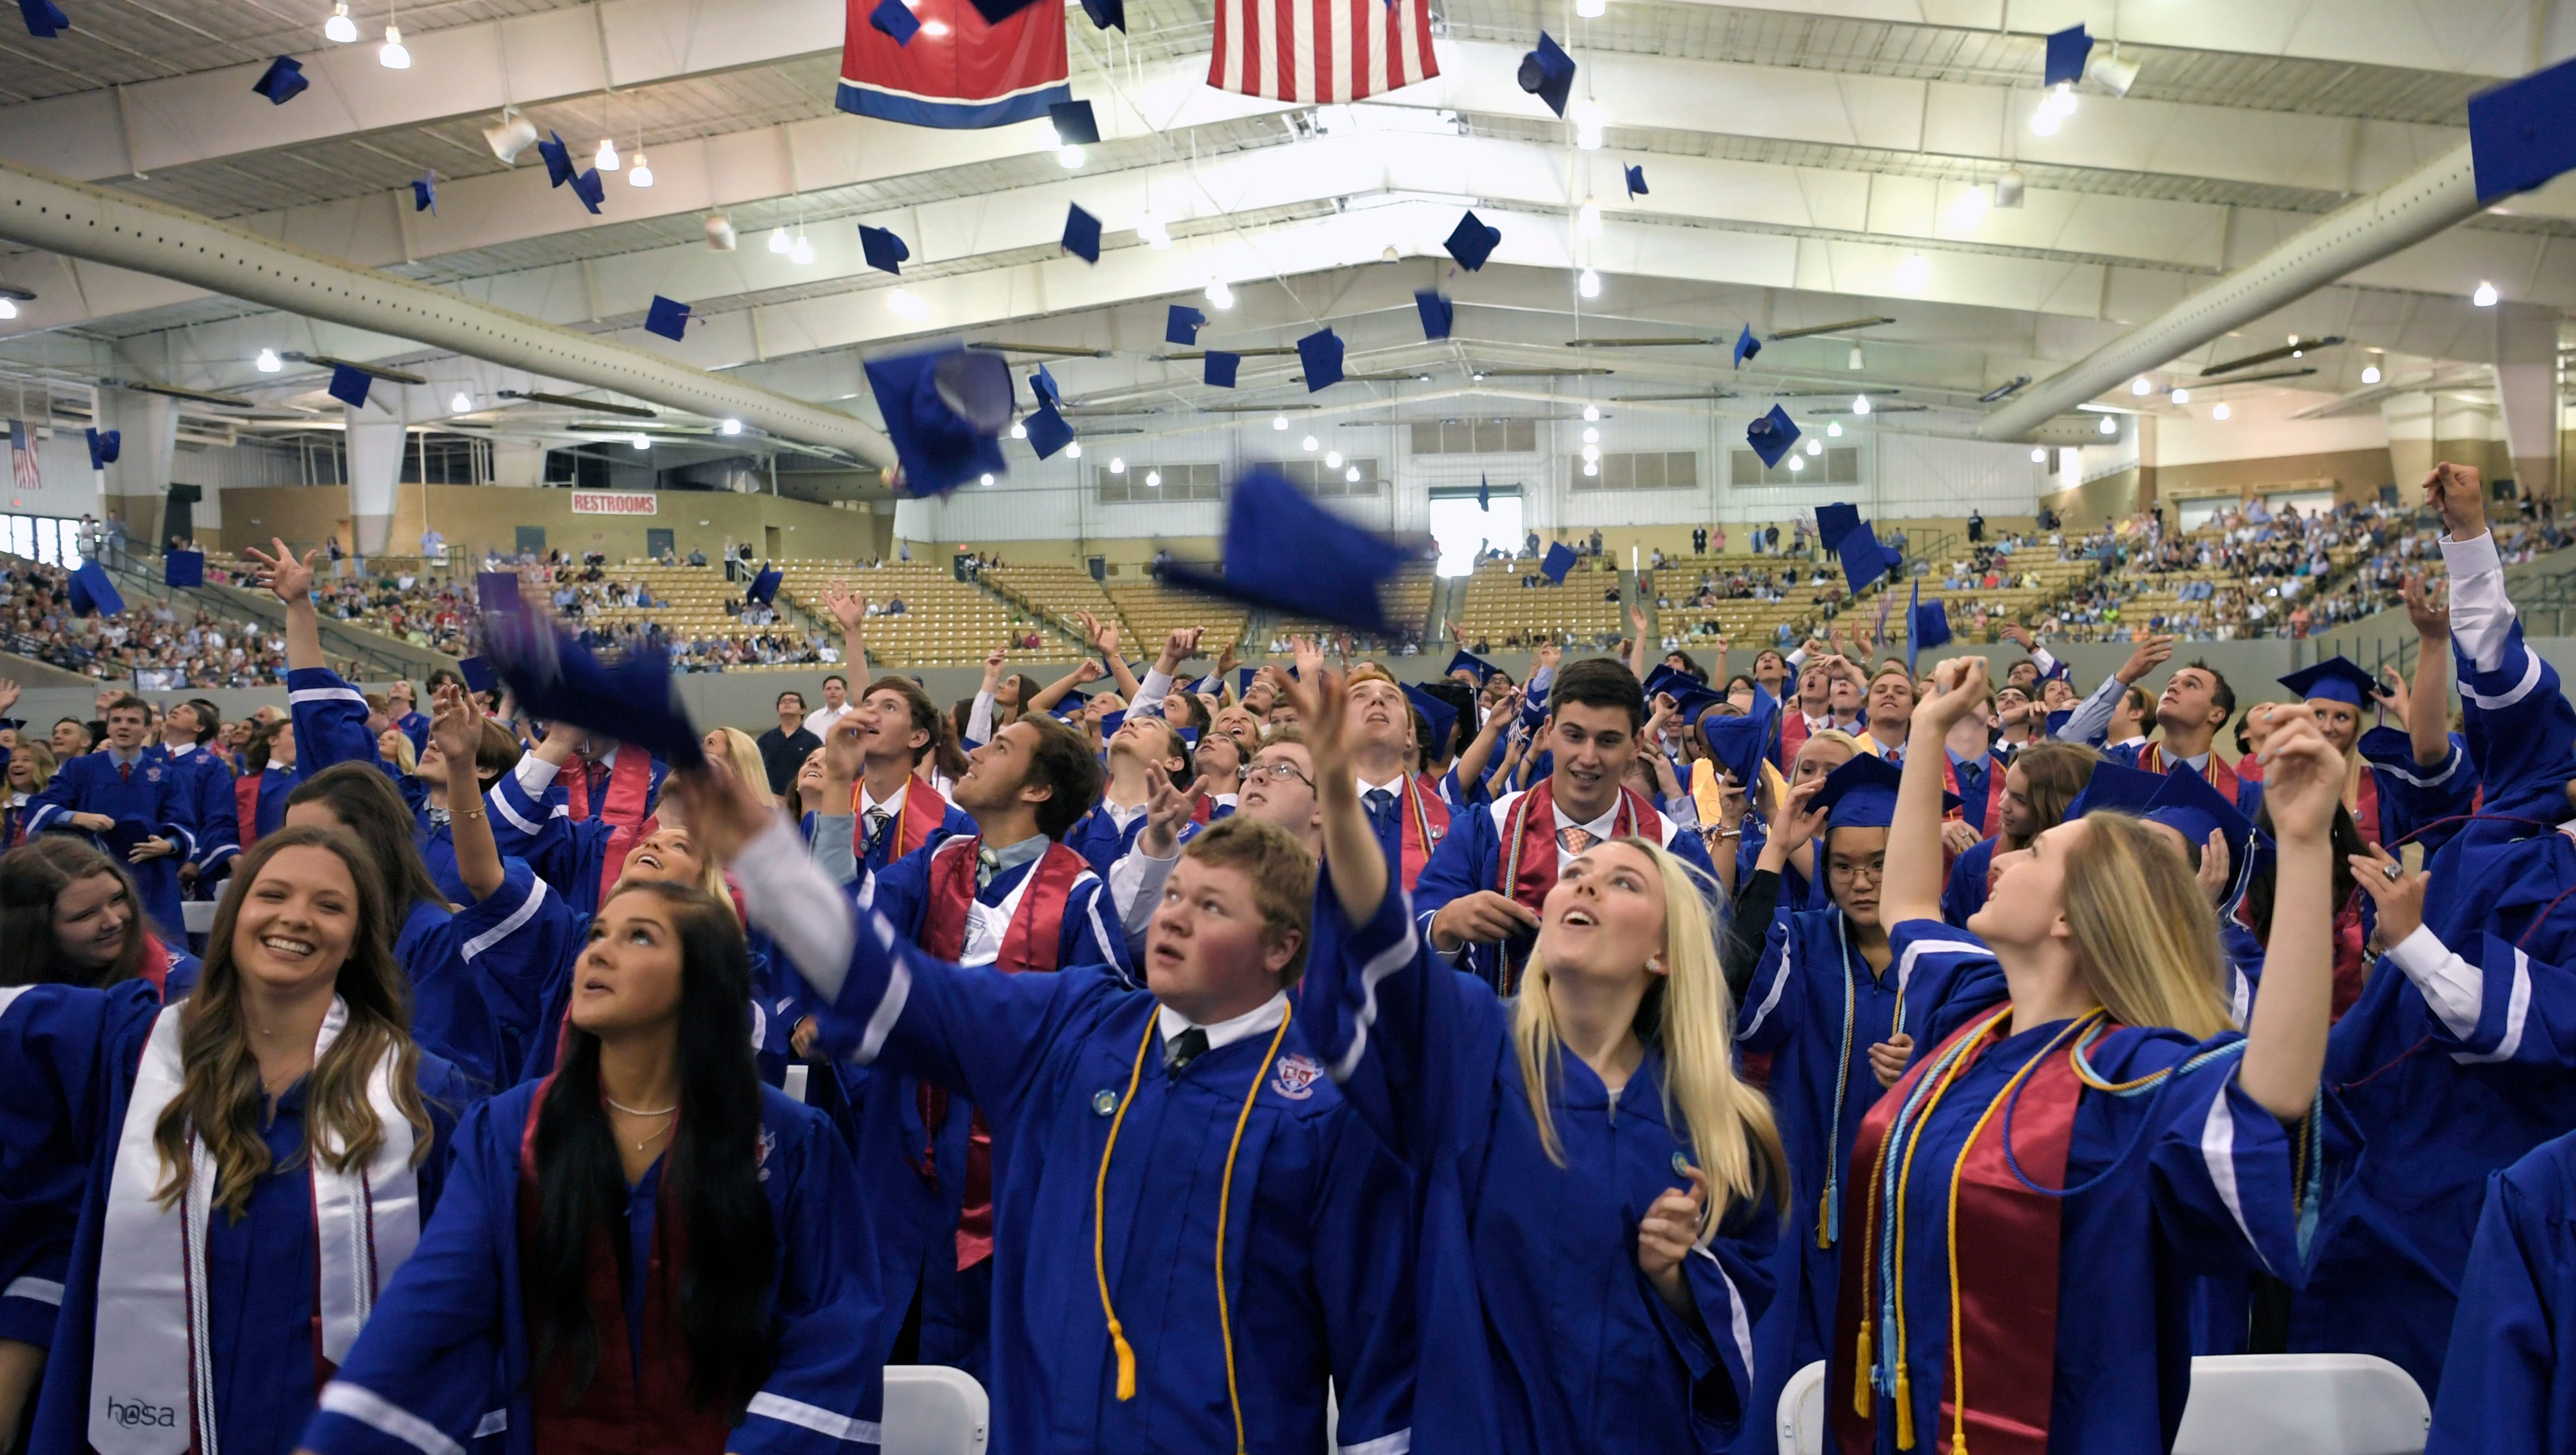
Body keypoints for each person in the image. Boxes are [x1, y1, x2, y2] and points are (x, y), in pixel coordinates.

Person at [692, 768, 1418, 1455]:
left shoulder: (1330, 1104)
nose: (1173, 919)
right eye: (1174, 896)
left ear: (1282, 945)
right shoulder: (1073, 1024)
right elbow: (906, 990)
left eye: (1211, 907)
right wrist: (773, 864)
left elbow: (1377, 1361)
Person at [1828, 655, 2349, 1454]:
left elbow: (2272, 1090)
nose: (1997, 859)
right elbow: (1905, 904)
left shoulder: (2127, 1076)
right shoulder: (1974, 1017)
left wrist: (2306, 844)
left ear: (2071, 917)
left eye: (2032, 855)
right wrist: (1928, 729)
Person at [1290, 665, 1786, 1453]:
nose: (1579, 880)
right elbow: (1379, 947)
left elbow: (1750, 1295)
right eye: (1575, 873)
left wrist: (1676, 1278)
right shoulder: (1472, 1057)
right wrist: (1338, 793)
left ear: (1664, 948)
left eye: (1618, 879)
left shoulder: (1715, 1120)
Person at [295, 877, 886, 1455]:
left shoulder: (789, 1142)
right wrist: (334, 1441)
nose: (598, 949)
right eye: (597, 933)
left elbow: (836, 1337)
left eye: (640, 937)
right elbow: (432, 1307)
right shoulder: (510, 1135)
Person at [0, 827, 477, 1455]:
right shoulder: (127, 1053)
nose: (296, 918)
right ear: (235, 914)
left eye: (329, 905)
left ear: (361, 937)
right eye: (272, 895)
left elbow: (462, 1304)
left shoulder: (421, 1098)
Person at [2290, 463, 2576, 1399]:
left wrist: (2409, 941)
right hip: (2380, 1098)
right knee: (2330, 1300)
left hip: (2470, 1148)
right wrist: (2467, 532)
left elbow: (2518, 1027)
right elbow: (2493, 661)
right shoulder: (2541, 785)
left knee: (2427, 1349)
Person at [796, 712, 1129, 1382]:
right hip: (899, 1159)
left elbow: (1104, 1048)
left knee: (985, 1375)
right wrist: (838, 785)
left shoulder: (1081, 895)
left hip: (1006, 1183)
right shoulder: (940, 862)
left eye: (1000, 748)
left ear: (1037, 791)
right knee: (882, 1358)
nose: (975, 753)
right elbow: (846, 925)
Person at [1723, 752, 1998, 1451]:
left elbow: (2002, 1084)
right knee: (1785, 1384)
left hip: (1912, 1218)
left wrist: (1937, 1065)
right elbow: (1736, 986)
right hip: (1803, 1205)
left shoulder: (1960, 962)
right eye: (1842, 865)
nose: (1861, 882)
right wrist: (1775, 851)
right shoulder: (1804, 939)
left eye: (1880, 863)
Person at [283, 690, 573, 1090]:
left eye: (323, 842)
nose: (304, 860)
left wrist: (466, 762)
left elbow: (438, 1079)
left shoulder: (433, 928)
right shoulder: (310, 924)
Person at [1413, 658, 1718, 991]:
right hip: (1507, 1038)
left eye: (1608, 741)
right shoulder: (1487, 830)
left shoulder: (1671, 848)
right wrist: (1445, 925)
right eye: (1574, 735)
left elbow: (1707, 964)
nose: (1588, 757)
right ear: (1549, 731)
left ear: (1635, 745)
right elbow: (1414, 938)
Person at [26, 694, 197, 943]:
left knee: (156, 948)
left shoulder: (166, 776)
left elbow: (184, 822)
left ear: (148, 729)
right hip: (90, 872)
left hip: (150, 876)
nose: (123, 726)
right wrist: (77, 817)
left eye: (132, 721)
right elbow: (38, 806)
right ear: (108, 728)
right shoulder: (80, 769)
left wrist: (169, 845)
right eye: (116, 720)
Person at [1939, 741, 2098, 927]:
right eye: (2006, 789)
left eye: (2020, 800)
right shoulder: (1975, 863)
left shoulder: (2095, 872)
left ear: (2055, 807)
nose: (2002, 805)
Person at [757, 692, 821, 800]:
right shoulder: (765, 739)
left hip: (801, 799)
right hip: (770, 800)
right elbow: (756, 769)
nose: (787, 703)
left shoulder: (813, 741)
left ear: (803, 710)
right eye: (783, 701)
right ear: (778, 710)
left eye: (792, 701)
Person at [807, 674, 855, 743]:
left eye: (837, 688)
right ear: (824, 693)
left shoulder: (855, 716)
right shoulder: (812, 719)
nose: (833, 692)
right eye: (829, 689)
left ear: (846, 693)